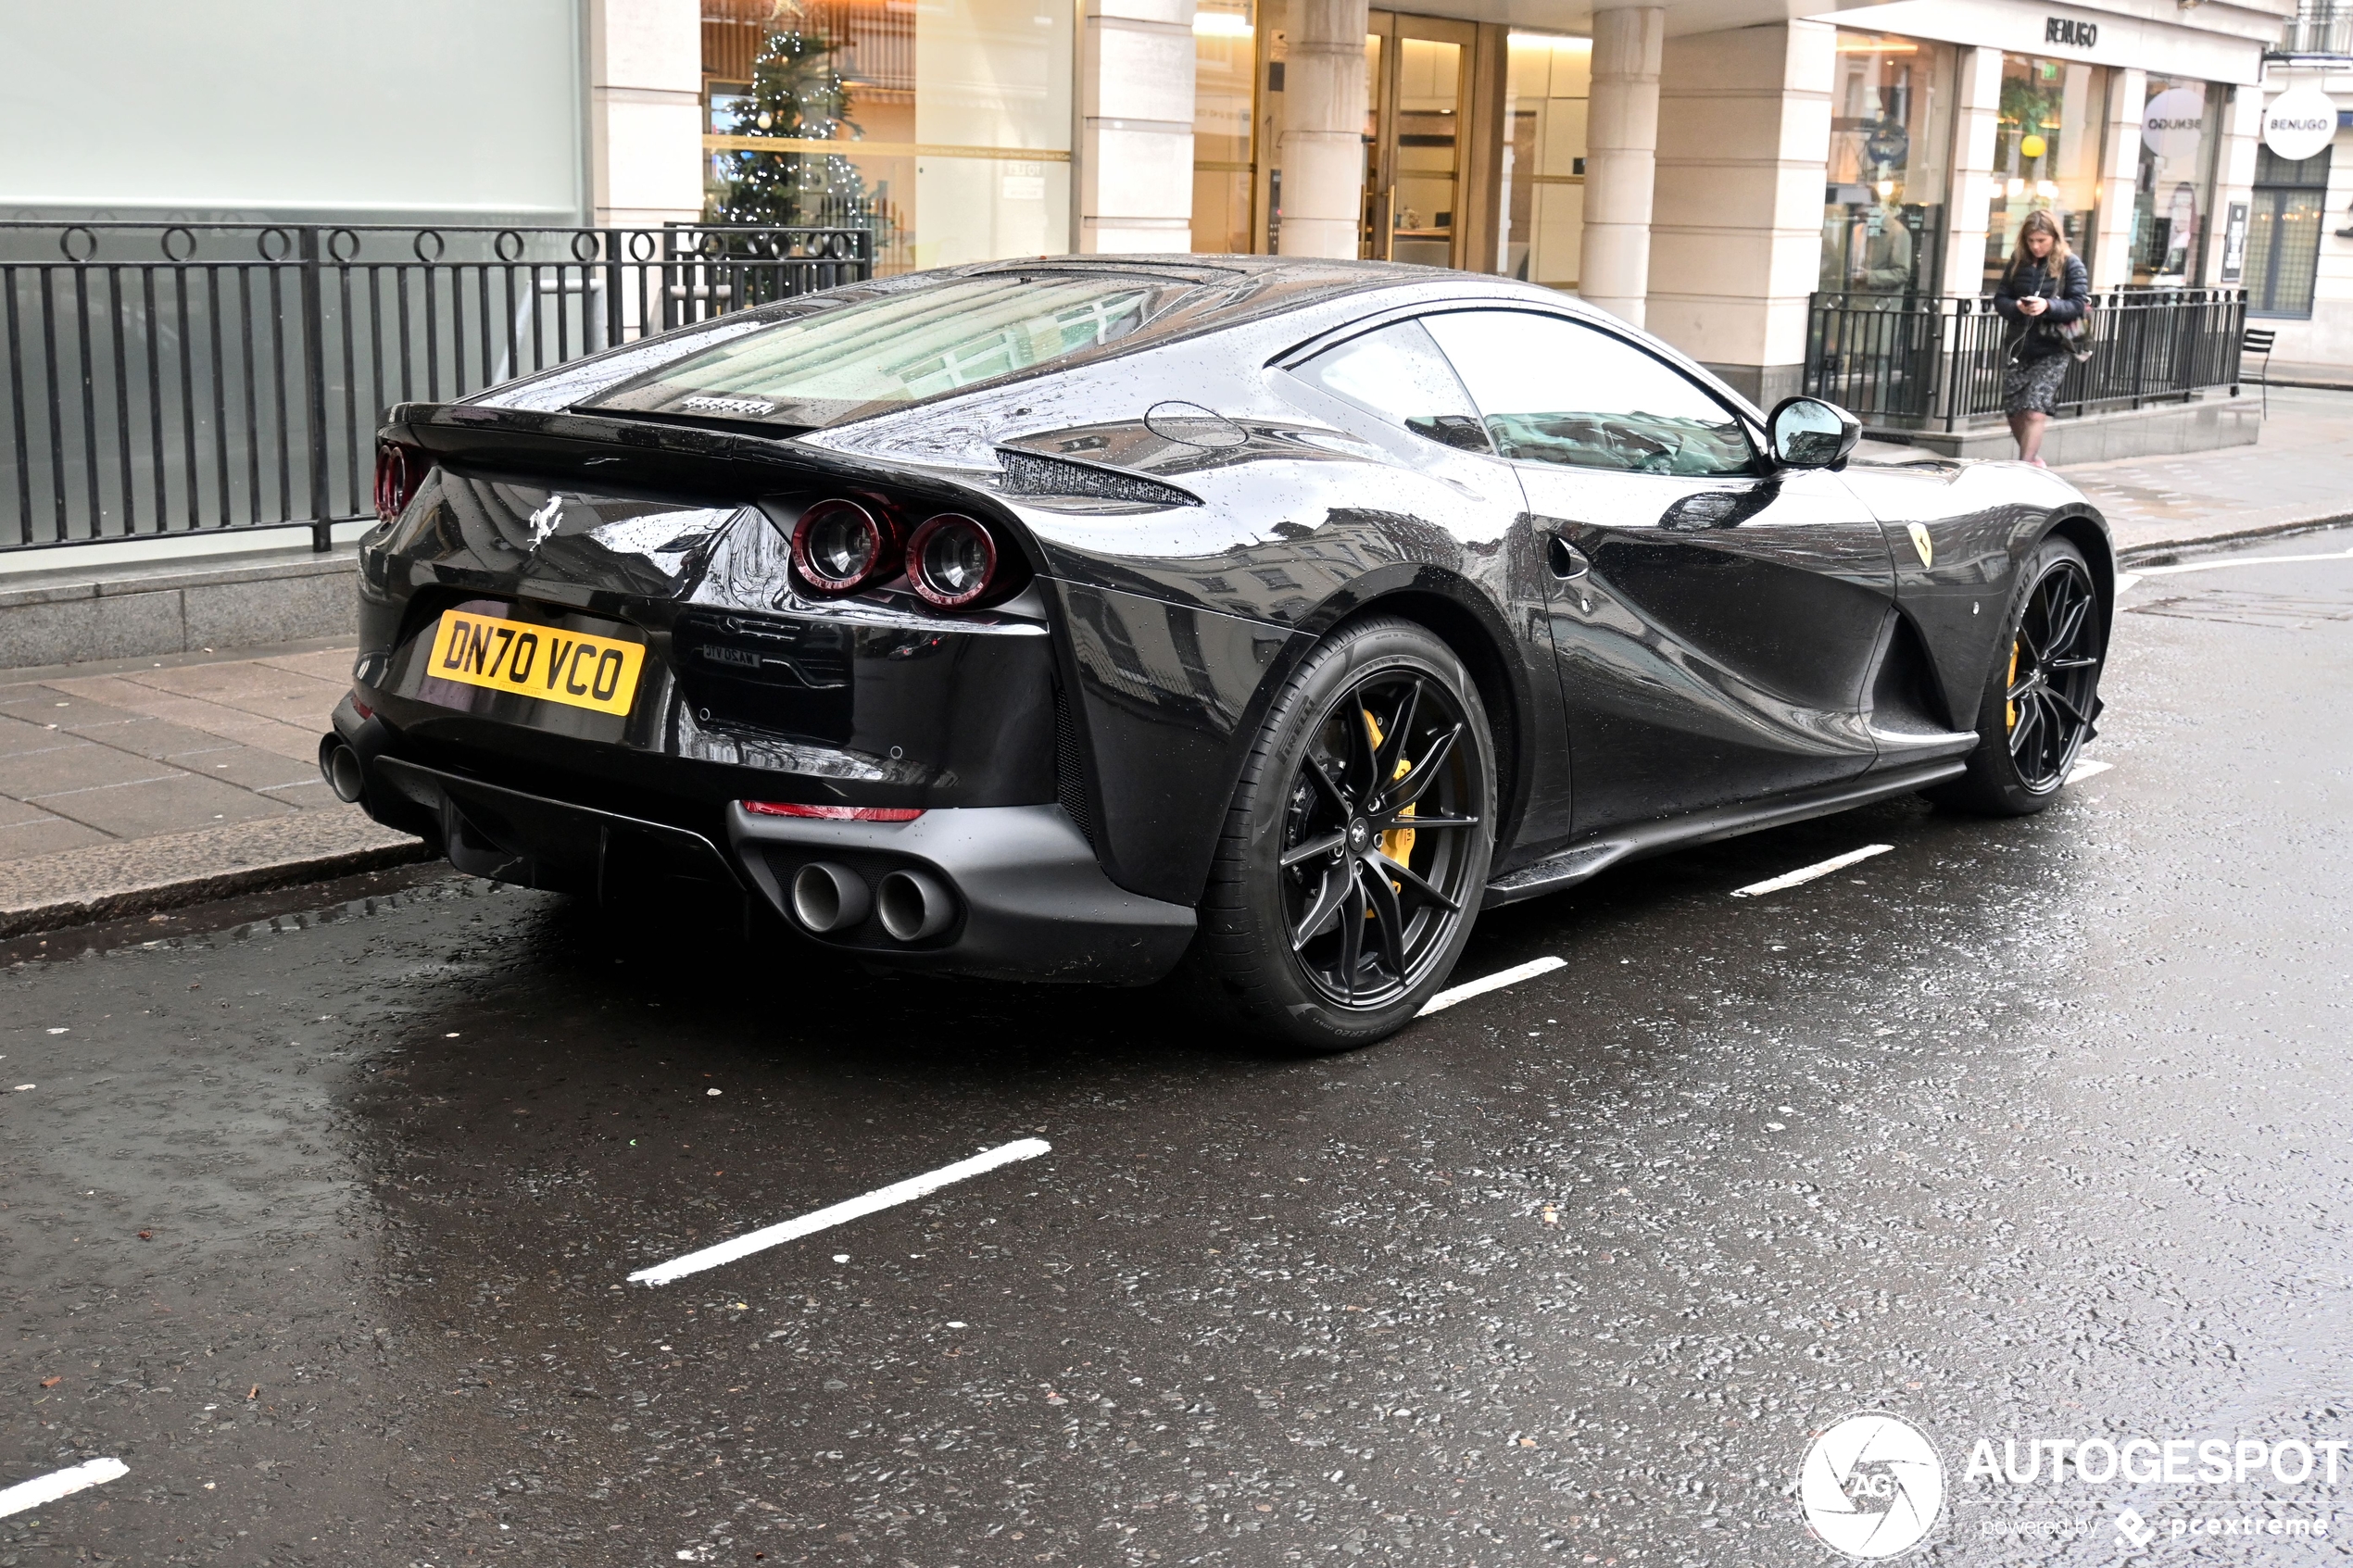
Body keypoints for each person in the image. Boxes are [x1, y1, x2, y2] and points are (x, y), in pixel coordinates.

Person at [1992, 210, 2090, 466]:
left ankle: (2024, 467)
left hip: (2053, 347)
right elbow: (2000, 299)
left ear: (2055, 238)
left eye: (2041, 240)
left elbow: (2078, 305)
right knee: (2014, 411)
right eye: (2031, 240)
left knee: (2035, 410)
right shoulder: (2018, 262)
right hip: (2019, 347)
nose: (2036, 246)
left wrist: (2047, 306)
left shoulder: (2070, 264)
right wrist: (2018, 307)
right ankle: (2033, 459)